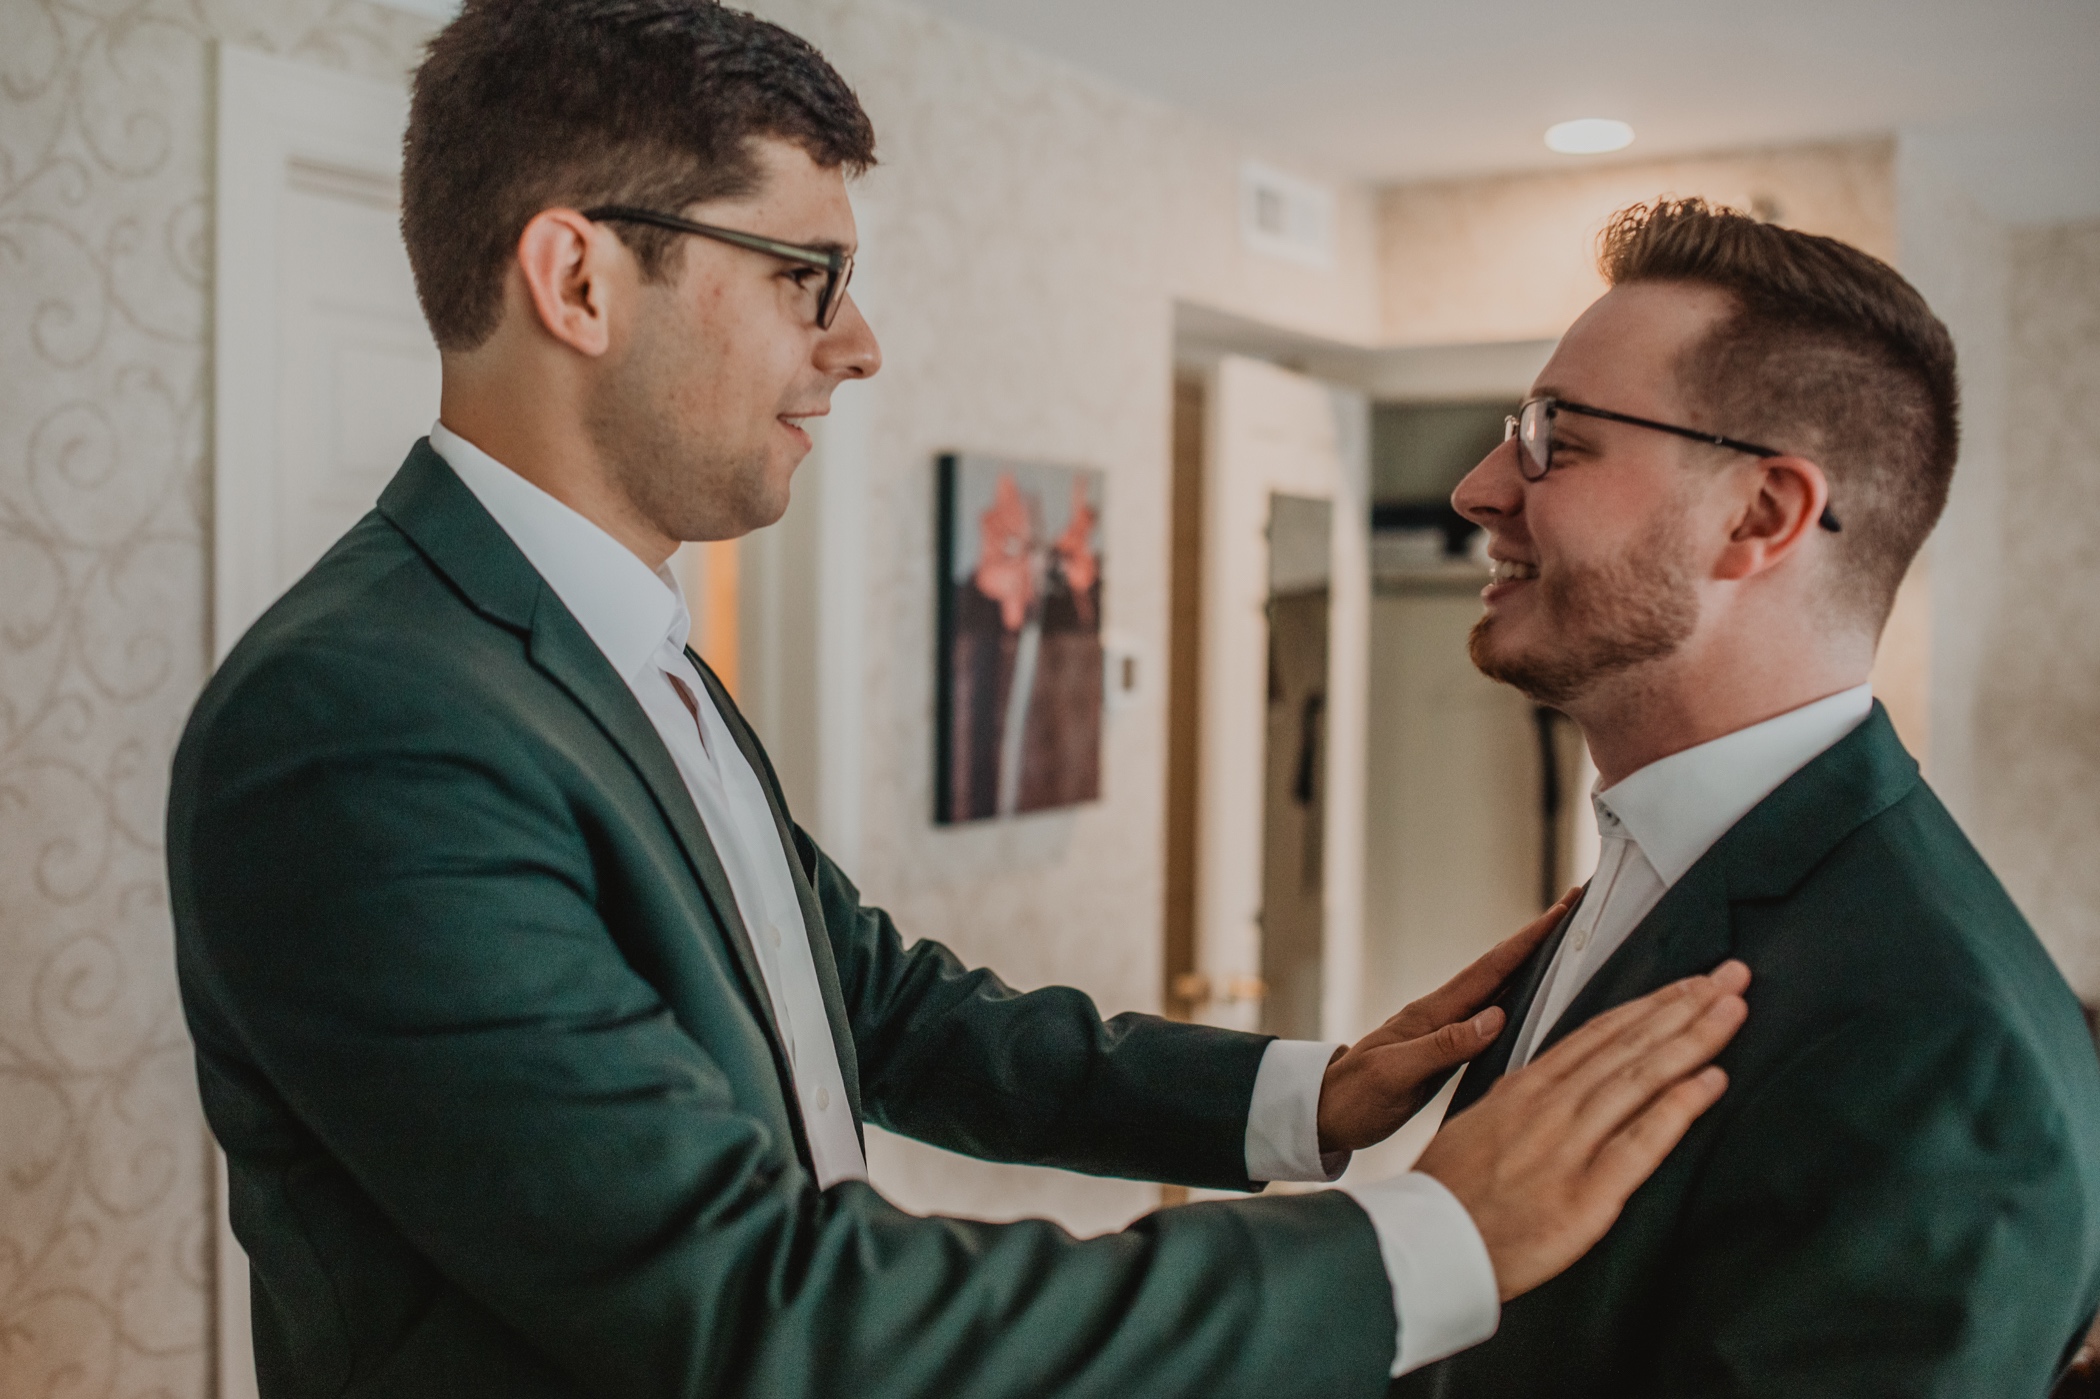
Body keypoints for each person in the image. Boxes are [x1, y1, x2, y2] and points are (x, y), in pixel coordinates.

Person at [165, 5, 1747, 1396]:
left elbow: (876, 1006)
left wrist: (1307, 1093)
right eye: (809, 276)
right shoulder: (358, 727)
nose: (857, 345)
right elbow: (754, 1305)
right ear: (578, 277)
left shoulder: (618, 648)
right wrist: (1430, 1237)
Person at [1394, 198, 2100, 1398]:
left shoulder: (1937, 1052)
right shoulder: (1652, 866)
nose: (1475, 488)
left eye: (1554, 437)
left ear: (1760, 516)